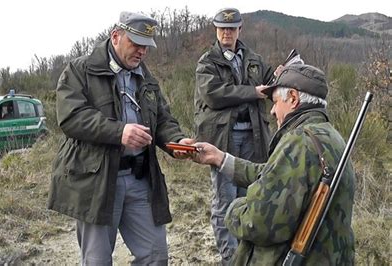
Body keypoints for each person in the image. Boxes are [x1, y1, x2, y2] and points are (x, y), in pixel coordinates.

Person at [47, 11, 193, 265]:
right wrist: (119, 132)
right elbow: (72, 118)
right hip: (98, 182)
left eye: (146, 46)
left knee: (156, 255)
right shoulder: (80, 70)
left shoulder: (146, 76)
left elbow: (162, 119)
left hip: (140, 179)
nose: (142, 52)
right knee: (97, 260)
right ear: (116, 36)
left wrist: (177, 141)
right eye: (135, 44)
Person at [192, 64, 355, 265]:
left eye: (276, 102)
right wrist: (221, 158)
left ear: (293, 98)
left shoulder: (298, 142)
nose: (272, 111)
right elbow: (275, 173)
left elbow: (258, 223)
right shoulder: (331, 137)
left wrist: (235, 208)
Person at [194, 7, 275, 263]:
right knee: (225, 201)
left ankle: (244, 254)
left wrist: (281, 76)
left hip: (254, 138)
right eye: (222, 28)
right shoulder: (207, 62)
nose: (226, 32)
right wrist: (253, 91)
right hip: (222, 141)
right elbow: (215, 94)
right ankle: (230, 259)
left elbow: (270, 82)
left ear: (240, 29)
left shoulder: (255, 59)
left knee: (249, 198)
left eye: (231, 28)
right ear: (216, 30)